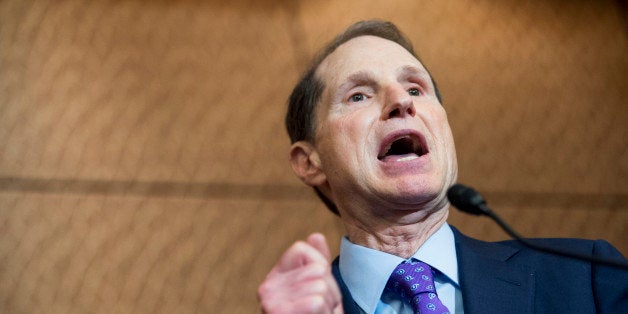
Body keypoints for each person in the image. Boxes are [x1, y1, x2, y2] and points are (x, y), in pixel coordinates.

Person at [257, 20, 628, 314]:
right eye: (358, 95)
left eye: (416, 89)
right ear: (309, 162)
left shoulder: (586, 277)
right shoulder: (300, 309)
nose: (401, 101)